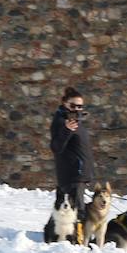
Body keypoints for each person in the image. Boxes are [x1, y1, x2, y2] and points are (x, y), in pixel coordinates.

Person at [49, 87, 96, 217]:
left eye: (80, 106)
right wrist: (66, 130)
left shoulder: (75, 120)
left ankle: (75, 236)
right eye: (73, 105)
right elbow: (56, 147)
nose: (77, 109)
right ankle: (77, 237)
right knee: (77, 212)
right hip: (72, 175)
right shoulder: (61, 121)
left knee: (78, 210)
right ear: (65, 103)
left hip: (80, 175)